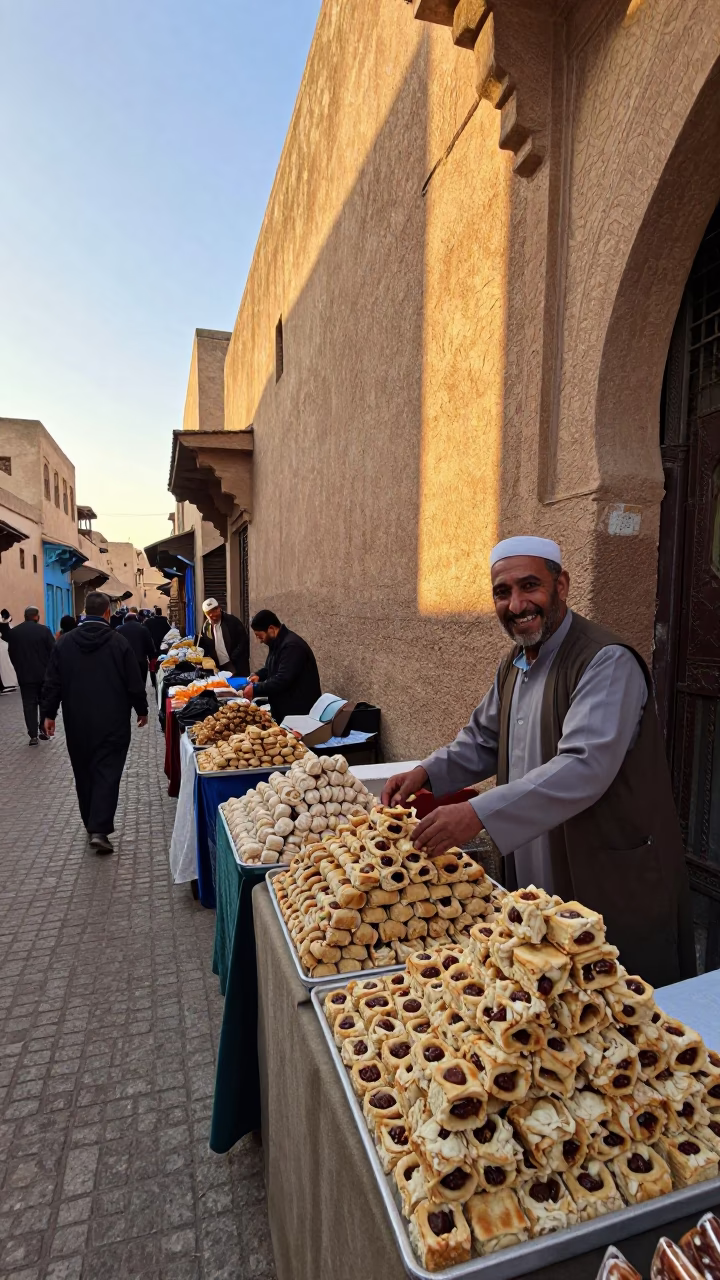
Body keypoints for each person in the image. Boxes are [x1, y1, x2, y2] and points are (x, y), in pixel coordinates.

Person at [381, 535, 694, 989]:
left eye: (530, 586)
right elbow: (482, 740)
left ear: (561, 585)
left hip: (602, 864)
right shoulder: (514, 664)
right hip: (532, 857)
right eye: (502, 592)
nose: (517, 603)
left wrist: (476, 814)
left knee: (613, 1000)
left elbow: (584, 766)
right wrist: (426, 773)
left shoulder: (605, 661)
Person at [41, 590, 148, 854]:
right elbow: (134, 681)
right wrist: (142, 709)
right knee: (107, 773)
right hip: (113, 722)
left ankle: (91, 822)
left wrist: (49, 714)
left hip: (77, 721)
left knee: (83, 771)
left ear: (85, 611)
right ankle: (99, 828)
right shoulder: (118, 642)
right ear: (107, 613)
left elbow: (52, 682)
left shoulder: (64, 643)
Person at [242, 609, 321, 724]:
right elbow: (271, 667)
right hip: (283, 710)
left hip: (298, 713)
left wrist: (256, 689)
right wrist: (259, 675)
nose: (260, 641)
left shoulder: (292, 646)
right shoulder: (276, 644)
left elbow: (282, 679)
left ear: (271, 629)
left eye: (260, 636)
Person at [6, 606, 55, 745]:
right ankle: (43, 730)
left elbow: (12, 653)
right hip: (44, 675)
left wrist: (18, 668)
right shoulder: (44, 630)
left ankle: (33, 735)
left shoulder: (15, 633)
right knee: (43, 702)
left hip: (25, 676)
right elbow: (53, 651)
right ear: (36, 616)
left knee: (29, 704)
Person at [198, 597, 249, 677]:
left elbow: (243, 641)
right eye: (209, 613)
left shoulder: (232, 621)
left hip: (234, 664)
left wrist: (235, 656)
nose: (213, 615)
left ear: (219, 608)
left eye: (215, 610)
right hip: (219, 667)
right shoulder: (206, 627)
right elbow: (205, 645)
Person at [117, 606, 156, 686]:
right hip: (140, 662)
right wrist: (151, 657)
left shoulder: (119, 629)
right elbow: (150, 647)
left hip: (124, 663)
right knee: (141, 685)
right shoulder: (143, 629)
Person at [0, 610, 17, 695]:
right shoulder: (6, 625)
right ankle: (8, 683)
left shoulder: (5, 625)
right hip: (4, 647)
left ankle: (8, 683)